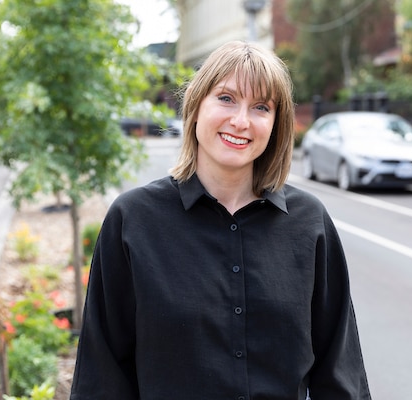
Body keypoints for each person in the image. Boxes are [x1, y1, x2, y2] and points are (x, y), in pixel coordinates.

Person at [70, 40, 372, 400]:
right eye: (226, 98)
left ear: (276, 124)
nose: (241, 121)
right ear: (196, 106)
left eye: (261, 107)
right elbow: (101, 378)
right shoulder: (133, 220)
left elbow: (340, 375)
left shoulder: (309, 224)